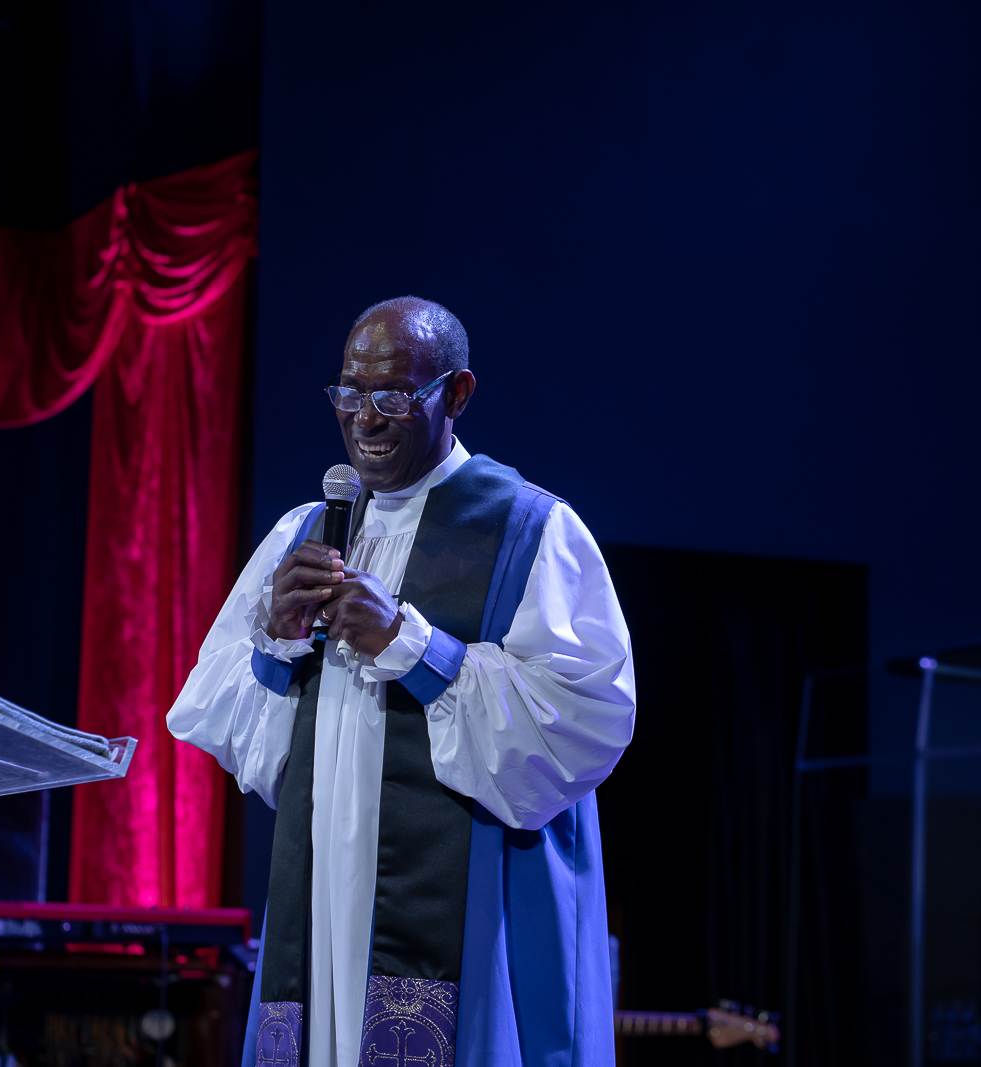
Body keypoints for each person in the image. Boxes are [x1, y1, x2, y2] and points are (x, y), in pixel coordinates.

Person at [168, 295, 636, 1066]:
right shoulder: (303, 530)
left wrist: (415, 646)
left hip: (461, 917)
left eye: (392, 396)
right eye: (349, 395)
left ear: (456, 394)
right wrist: (274, 643)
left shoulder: (532, 529)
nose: (365, 419)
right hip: (321, 897)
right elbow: (224, 726)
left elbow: (584, 723)